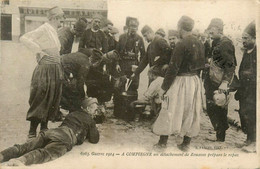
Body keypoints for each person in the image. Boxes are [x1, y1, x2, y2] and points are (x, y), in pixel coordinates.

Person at [153, 16, 205, 151]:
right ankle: (186, 143)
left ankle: (162, 143)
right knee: (191, 111)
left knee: (169, 108)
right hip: (194, 81)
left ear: (179, 27)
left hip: (181, 81)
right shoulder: (199, 43)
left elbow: (173, 68)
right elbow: (201, 65)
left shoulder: (181, 44)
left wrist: (164, 88)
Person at [0, 97, 100, 166]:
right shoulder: (89, 120)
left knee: (26, 146)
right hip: (66, 137)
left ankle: (3, 155)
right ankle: (21, 161)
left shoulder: (72, 114)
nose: (96, 113)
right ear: (88, 109)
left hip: (53, 131)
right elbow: (94, 139)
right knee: (46, 153)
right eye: (95, 110)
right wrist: (94, 126)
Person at [19, 6, 65, 139]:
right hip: (45, 69)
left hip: (55, 68)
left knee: (52, 98)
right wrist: (38, 51)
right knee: (41, 97)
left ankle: (44, 128)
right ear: (55, 18)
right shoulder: (44, 28)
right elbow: (24, 38)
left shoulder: (54, 30)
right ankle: (32, 131)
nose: (62, 20)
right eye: (61, 18)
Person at [204, 18, 237, 142]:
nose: (210, 34)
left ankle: (220, 137)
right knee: (211, 107)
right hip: (211, 80)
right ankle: (218, 132)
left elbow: (230, 65)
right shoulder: (215, 42)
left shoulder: (225, 43)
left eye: (212, 31)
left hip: (220, 82)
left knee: (219, 107)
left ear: (218, 29)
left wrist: (225, 82)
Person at [235, 21, 256, 153]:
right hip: (244, 89)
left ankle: (254, 142)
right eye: (242, 38)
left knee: (251, 113)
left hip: (253, 90)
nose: (243, 41)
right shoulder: (246, 51)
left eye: (246, 38)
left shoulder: (256, 52)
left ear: (254, 38)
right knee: (244, 113)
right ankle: (248, 139)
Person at [115, 16, 145, 92]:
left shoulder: (139, 38)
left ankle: (131, 102)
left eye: (135, 26)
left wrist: (139, 67)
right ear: (128, 26)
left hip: (134, 64)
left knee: (133, 84)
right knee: (121, 83)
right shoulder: (122, 37)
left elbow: (143, 55)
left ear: (137, 28)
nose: (133, 28)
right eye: (132, 26)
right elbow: (117, 52)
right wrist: (117, 63)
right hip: (123, 63)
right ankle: (119, 102)